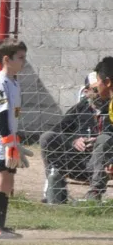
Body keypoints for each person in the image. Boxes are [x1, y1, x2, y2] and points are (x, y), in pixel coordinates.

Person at [0, 39, 31, 239]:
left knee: (9, 179)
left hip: (8, 138)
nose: (24, 62)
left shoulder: (13, 80)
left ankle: (0, 225)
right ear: (6, 59)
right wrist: (8, 142)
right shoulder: (1, 82)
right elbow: (1, 115)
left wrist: (15, 141)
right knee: (2, 178)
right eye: (20, 58)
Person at [40, 71, 105, 204]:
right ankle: (56, 192)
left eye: (103, 87)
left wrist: (99, 141)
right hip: (77, 162)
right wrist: (73, 140)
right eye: (96, 89)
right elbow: (58, 130)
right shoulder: (79, 109)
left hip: (103, 165)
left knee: (103, 142)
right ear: (86, 92)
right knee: (47, 137)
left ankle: (94, 198)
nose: (100, 92)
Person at [87, 57, 113, 202]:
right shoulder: (110, 105)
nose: (96, 86)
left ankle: (94, 196)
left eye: (98, 81)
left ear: (108, 82)